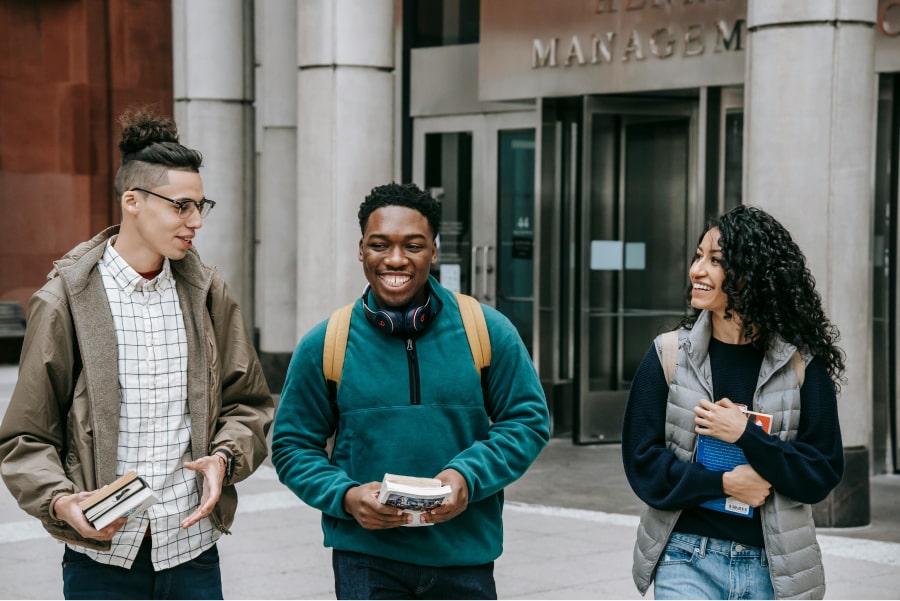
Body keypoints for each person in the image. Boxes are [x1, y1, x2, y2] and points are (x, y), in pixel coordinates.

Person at [0, 107, 274, 600]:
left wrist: (223, 459)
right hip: (101, 558)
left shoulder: (208, 293)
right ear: (133, 201)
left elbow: (248, 404)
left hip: (191, 550)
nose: (196, 222)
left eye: (200, 206)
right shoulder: (65, 301)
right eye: (181, 206)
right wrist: (62, 503)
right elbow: (25, 436)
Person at [271, 181, 550, 600]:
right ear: (361, 249)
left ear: (434, 251)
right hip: (365, 560)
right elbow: (292, 445)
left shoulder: (487, 330)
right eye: (380, 245)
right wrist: (345, 496)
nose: (396, 259)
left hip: (464, 557)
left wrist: (465, 477)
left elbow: (527, 421)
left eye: (413, 245)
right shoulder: (326, 342)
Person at [622, 205, 845, 600]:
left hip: (771, 568)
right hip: (686, 556)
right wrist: (722, 484)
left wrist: (746, 435)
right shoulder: (669, 354)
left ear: (750, 275)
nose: (697, 270)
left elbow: (821, 472)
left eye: (715, 261)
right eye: (698, 256)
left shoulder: (801, 365)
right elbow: (642, 463)